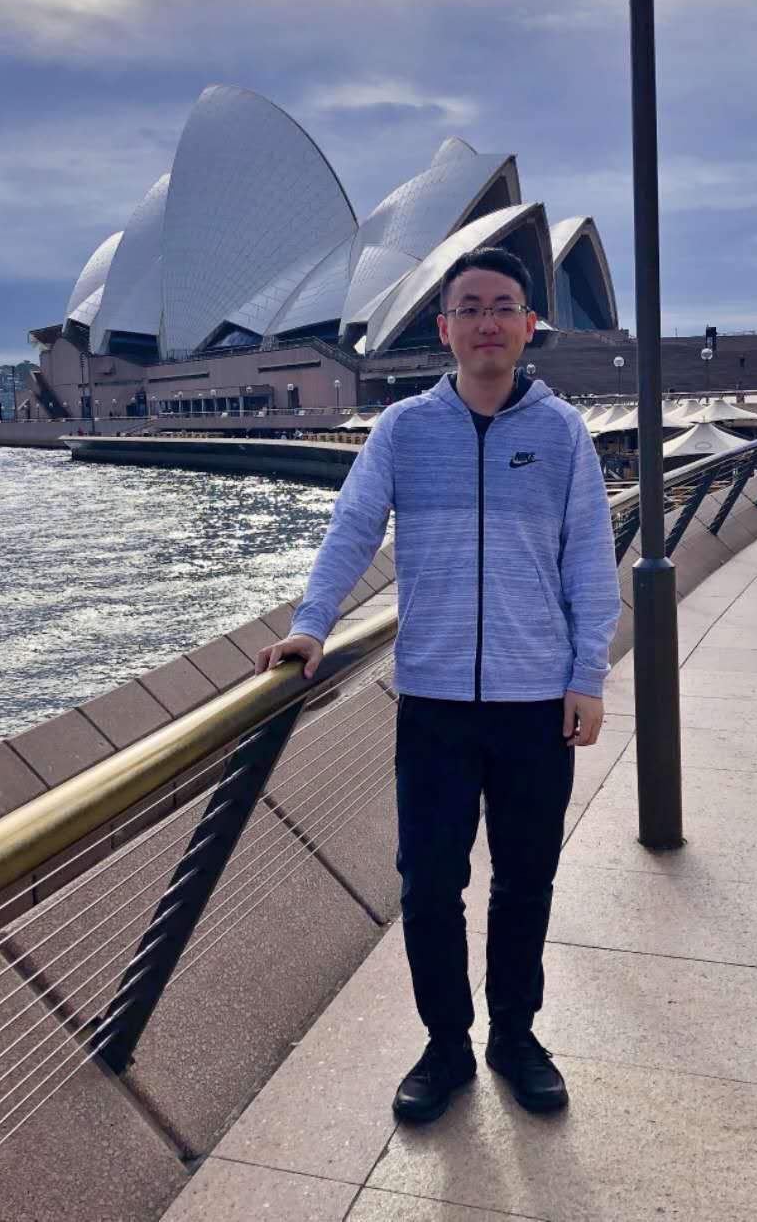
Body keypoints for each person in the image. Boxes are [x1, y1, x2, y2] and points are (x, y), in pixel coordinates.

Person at [257, 247, 620, 1122]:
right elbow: (352, 529)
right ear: (444, 325)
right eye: (471, 307)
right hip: (435, 701)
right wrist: (312, 623)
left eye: (503, 306)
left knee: (526, 880)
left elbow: (590, 560)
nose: (487, 321)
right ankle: (446, 1044)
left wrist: (587, 674)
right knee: (427, 883)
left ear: (528, 323)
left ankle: (515, 1036)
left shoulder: (562, 432)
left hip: (537, 700)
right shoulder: (403, 429)